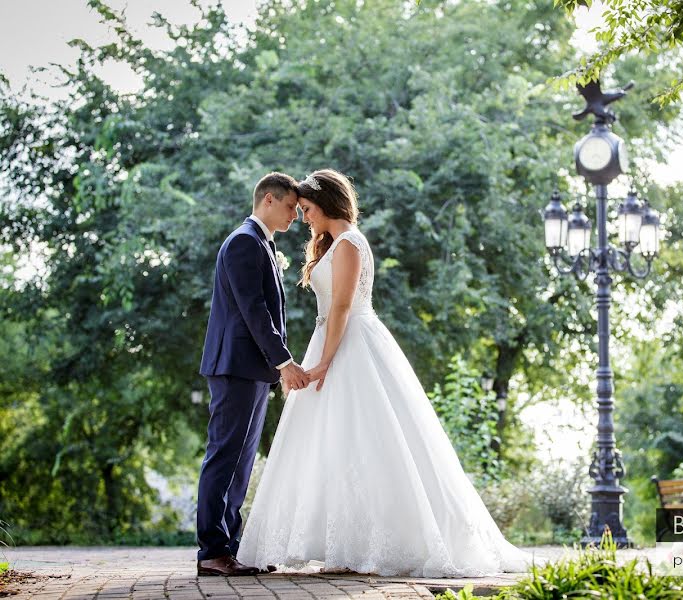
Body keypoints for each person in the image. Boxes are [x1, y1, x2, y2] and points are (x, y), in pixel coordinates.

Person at [237, 169, 533, 576]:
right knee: (336, 444)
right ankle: (342, 545)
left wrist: (324, 361)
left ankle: (362, 547)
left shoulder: (349, 244)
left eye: (305, 209)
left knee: (364, 440)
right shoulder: (334, 243)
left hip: (350, 344)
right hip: (332, 339)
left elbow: (341, 307)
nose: (303, 217)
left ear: (325, 204)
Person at [196, 172, 309, 576]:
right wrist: (284, 362)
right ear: (268, 201)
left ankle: (232, 545)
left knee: (241, 464)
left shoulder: (262, 242)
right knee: (224, 458)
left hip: (252, 370)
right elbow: (253, 309)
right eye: (291, 207)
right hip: (235, 367)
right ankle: (212, 551)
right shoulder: (245, 241)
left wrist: (274, 366)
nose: (296, 215)